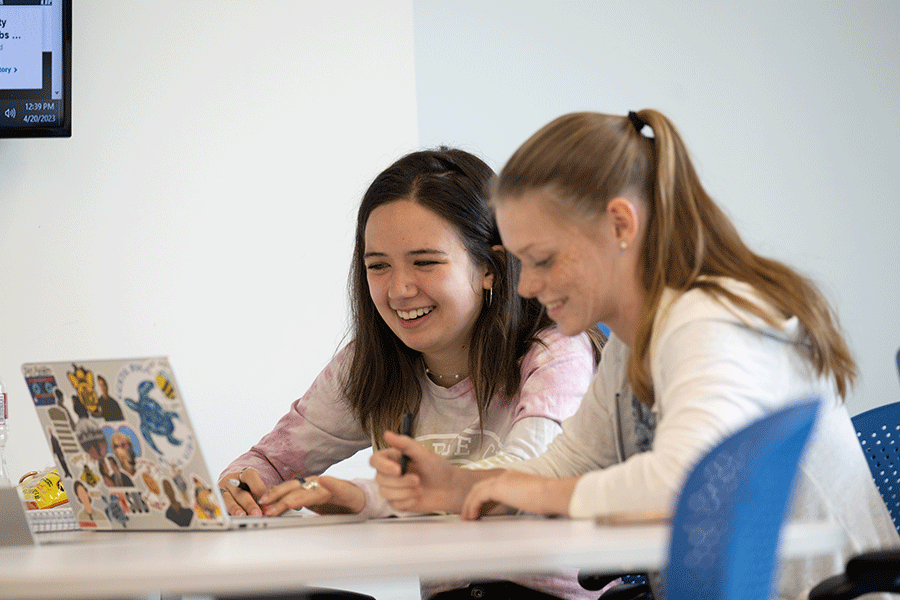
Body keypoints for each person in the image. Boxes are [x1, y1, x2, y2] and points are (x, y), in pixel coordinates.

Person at [370, 111, 900, 600]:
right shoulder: (635, 338)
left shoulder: (713, 322)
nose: (526, 287)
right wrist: (461, 484)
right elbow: (568, 465)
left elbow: (684, 485)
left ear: (621, 225)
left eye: (543, 259)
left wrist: (525, 489)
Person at [218, 147, 604, 599]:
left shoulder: (556, 352)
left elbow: (520, 486)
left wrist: (361, 498)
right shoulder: (368, 363)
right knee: (247, 594)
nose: (399, 289)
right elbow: (265, 464)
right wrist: (241, 488)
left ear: (489, 267)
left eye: (425, 262)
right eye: (377, 266)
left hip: (544, 597)